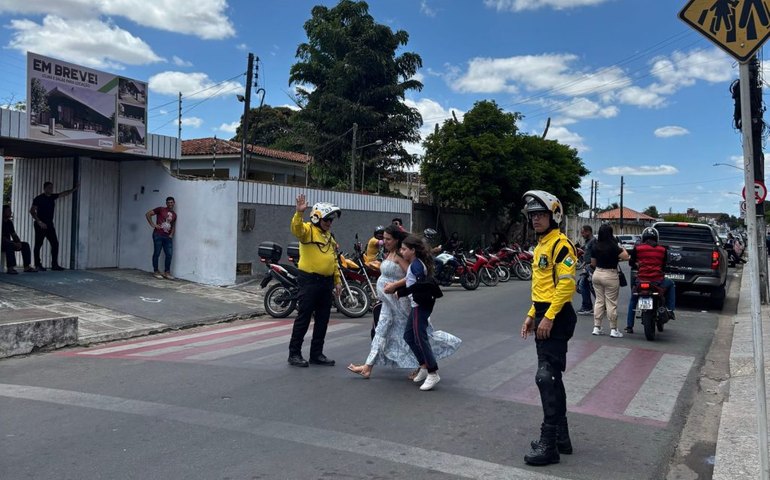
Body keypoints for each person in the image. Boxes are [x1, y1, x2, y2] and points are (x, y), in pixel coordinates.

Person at [347, 225, 460, 379]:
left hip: (400, 301)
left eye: (388, 239)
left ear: (396, 240)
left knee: (415, 333)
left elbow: (410, 276)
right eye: (384, 238)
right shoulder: (389, 253)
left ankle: (425, 365)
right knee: (381, 330)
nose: (385, 241)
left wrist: (394, 286)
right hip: (387, 301)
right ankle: (368, 367)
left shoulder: (401, 255)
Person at [519, 189, 577, 466]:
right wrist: (533, 314)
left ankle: (549, 443)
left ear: (554, 216)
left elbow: (566, 285)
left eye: (541, 214)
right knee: (552, 377)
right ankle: (561, 439)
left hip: (558, 314)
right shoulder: (541, 245)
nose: (536, 219)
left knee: (546, 377)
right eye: (532, 215)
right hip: (545, 311)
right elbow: (542, 287)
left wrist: (550, 316)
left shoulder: (561, 245)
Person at [287, 194, 342, 368]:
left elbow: (333, 259)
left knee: (323, 319)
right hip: (310, 280)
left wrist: (337, 280)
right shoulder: (308, 230)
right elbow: (296, 229)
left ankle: (316, 354)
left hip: (326, 283)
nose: (329, 223)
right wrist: (299, 213)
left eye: (331, 220)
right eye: (327, 220)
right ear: (317, 218)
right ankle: (294, 354)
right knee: (303, 318)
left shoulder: (328, 236)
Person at [398, 234, 445, 391]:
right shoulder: (415, 264)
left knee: (420, 338)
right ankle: (423, 366)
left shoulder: (417, 266)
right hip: (416, 305)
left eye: (404, 249)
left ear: (413, 250)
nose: (401, 252)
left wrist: (400, 292)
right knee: (409, 336)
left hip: (420, 305)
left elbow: (421, 286)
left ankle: (433, 372)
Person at [625, 227, 676, 334]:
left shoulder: (638, 248)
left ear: (643, 238)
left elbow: (631, 263)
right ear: (656, 238)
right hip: (657, 281)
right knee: (671, 284)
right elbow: (664, 266)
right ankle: (670, 310)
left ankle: (629, 326)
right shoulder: (662, 250)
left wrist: (638, 265)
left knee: (633, 299)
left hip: (641, 281)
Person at [589, 225, 630, 338]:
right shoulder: (613, 246)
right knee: (611, 303)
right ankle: (613, 329)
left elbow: (593, 263)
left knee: (599, 301)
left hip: (597, 274)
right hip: (610, 275)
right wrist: (622, 247)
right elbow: (626, 257)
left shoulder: (595, 246)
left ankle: (596, 327)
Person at [29, 181, 78, 271]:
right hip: (40, 224)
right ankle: (37, 265)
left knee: (55, 243)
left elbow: (63, 194)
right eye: (49, 188)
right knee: (38, 244)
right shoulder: (39, 198)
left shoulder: (52, 197)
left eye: (52, 187)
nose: (51, 189)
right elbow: (32, 211)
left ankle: (54, 265)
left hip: (49, 224)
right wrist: (39, 222)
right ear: (45, 188)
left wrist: (73, 189)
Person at [145, 197, 177, 280]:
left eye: (171, 202)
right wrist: (153, 225)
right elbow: (148, 214)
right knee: (157, 253)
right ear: (166, 203)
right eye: (168, 202)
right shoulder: (161, 209)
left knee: (169, 254)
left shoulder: (174, 214)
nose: (170, 204)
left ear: (174, 203)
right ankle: (156, 271)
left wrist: (171, 234)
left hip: (168, 237)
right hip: (158, 235)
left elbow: (173, 225)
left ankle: (167, 272)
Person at [2, 205, 36, 274]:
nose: (10, 212)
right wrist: (13, 243)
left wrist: (18, 242)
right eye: (8, 211)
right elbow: (2, 237)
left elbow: (14, 234)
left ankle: (27, 267)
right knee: (9, 245)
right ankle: (10, 268)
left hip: (8, 242)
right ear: (3, 212)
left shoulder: (9, 222)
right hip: (2, 243)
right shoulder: (0, 222)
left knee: (25, 245)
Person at [576, 225, 595, 315]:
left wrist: (590, 266)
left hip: (591, 268)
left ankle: (587, 307)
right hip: (587, 266)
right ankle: (599, 305)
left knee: (583, 285)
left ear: (588, 232)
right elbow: (587, 255)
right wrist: (583, 265)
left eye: (583, 233)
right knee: (589, 286)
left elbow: (594, 255)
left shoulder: (593, 241)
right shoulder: (588, 242)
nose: (582, 235)